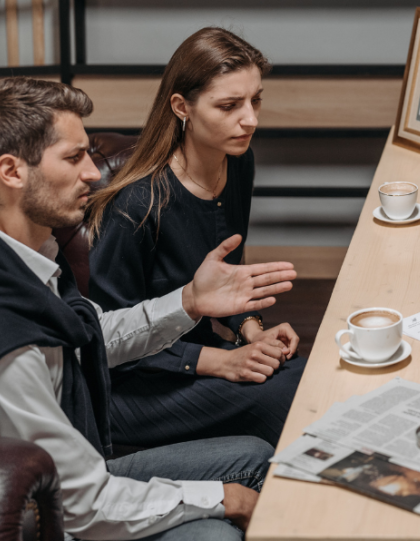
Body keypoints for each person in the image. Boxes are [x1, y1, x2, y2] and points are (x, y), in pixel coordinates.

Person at [0, 78, 298, 539]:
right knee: (215, 529)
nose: (94, 173)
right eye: (74, 158)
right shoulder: (1, 343)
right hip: (55, 515)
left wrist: (189, 301)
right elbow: (83, 505)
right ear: (12, 171)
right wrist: (220, 498)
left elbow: (89, 333)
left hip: (81, 466)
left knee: (252, 455)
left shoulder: (6, 252)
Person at [87, 27, 306, 448]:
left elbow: (224, 281)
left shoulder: (237, 161)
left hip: (199, 364)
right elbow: (106, 342)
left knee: (303, 377)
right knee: (291, 393)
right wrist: (223, 362)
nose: (251, 120)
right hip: (131, 393)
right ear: (181, 106)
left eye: (255, 99)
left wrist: (252, 332)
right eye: (229, 105)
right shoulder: (136, 205)